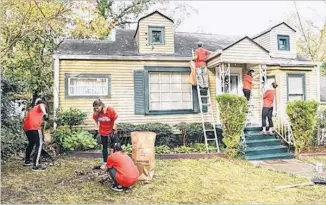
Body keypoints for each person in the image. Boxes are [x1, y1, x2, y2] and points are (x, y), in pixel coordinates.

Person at [23, 98, 49, 171]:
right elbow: (41, 105)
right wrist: (45, 113)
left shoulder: (33, 109)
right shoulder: (40, 105)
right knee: (39, 144)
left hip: (27, 127)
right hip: (34, 127)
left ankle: (27, 161)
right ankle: (36, 165)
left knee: (31, 143)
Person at [92, 99, 118, 169]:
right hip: (103, 131)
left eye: (97, 108)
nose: (96, 109)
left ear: (101, 105)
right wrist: (97, 127)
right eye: (95, 108)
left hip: (111, 130)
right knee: (104, 147)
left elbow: (115, 119)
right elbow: (95, 119)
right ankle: (105, 163)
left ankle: (113, 163)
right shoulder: (97, 113)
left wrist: (113, 128)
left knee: (113, 147)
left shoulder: (109, 109)